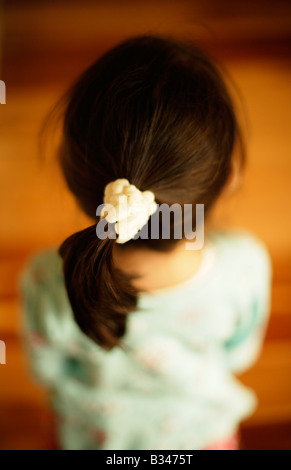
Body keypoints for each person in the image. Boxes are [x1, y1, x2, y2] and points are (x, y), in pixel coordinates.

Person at [21, 34, 272, 450]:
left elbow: (46, 372)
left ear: (73, 176)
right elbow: (239, 355)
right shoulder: (243, 268)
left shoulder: (48, 277)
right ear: (229, 177)